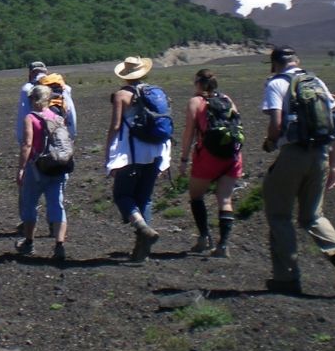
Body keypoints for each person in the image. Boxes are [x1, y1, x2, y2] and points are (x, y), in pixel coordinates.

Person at [260, 46, 335, 294]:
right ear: (297, 61)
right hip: (321, 155)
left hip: (293, 154)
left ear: (274, 64)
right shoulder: (318, 83)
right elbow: (334, 124)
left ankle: (286, 277)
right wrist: (333, 165)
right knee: (313, 215)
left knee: (280, 216)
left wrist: (270, 142)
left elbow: (276, 124)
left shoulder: (276, 84)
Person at [104, 56, 171, 262]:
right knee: (145, 198)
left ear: (125, 76)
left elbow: (116, 126)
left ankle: (142, 228)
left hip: (132, 153)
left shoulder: (121, 95)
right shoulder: (157, 92)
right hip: (156, 152)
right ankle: (142, 251)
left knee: (122, 196)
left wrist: (108, 151)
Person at [177, 69, 243, 257]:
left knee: (196, 196)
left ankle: (204, 237)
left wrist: (184, 159)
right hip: (232, 156)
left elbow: (189, 133)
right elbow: (237, 124)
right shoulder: (227, 99)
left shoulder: (195, 102)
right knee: (225, 199)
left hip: (207, 156)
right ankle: (223, 245)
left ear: (198, 83)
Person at [16, 84, 70, 263]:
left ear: (34, 99)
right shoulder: (58, 117)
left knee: (30, 204)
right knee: (57, 204)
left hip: (37, 168)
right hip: (58, 165)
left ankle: (29, 242)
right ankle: (59, 244)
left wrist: (21, 168)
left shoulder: (30, 118)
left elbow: (27, 145)